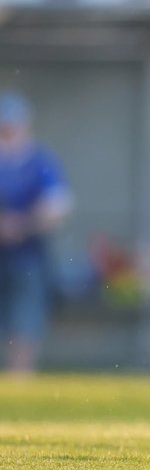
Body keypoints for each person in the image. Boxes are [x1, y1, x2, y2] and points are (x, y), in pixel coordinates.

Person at [0, 92, 71, 375]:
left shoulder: (40, 161)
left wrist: (24, 224)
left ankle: (20, 376)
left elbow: (58, 206)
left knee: (25, 319)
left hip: (27, 255)